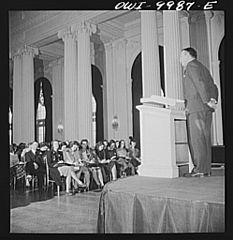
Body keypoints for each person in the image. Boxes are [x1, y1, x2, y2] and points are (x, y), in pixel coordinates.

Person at [180, 47, 218, 177]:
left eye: (181, 56)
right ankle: (205, 169)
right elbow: (213, 86)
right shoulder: (203, 67)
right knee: (205, 139)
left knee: (197, 140)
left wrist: (206, 100)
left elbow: (199, 83)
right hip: (206, 108)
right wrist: (213, 101)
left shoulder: (191, 66)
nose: (180, 60)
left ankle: (199, 169)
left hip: (196, 107)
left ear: (186, 55)